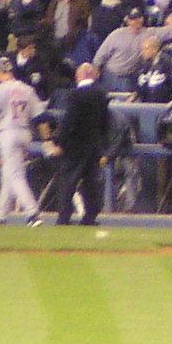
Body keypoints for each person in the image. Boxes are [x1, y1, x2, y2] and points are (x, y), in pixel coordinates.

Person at [0, 58, 47, 222]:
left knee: (15, 175)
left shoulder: (0, 90)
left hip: (8, 133)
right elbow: (40, 117)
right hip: (25, 132)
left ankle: (32, 213)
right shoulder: (27, 89)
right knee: (8, 174)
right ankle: (1, 216)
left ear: (0, 72)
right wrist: (47, 139)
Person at [49, 61, 113, 225]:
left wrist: (59, 142)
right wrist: (103, 145)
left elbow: (69, 122)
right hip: (94, 146)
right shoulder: (101, 94)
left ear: (80, 75)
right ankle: (89, 217)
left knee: (67, 182)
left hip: (74, 146)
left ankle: (64, 218)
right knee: (91, 183)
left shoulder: (75, 95)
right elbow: (105, 121)